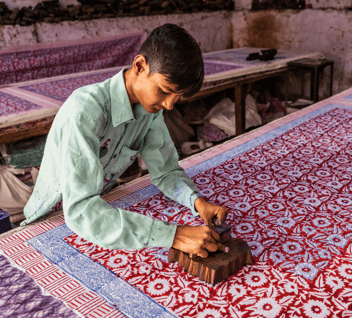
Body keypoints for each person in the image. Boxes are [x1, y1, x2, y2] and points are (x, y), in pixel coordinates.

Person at [21, 23, 228, 258]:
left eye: (177, 97)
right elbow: (79, 210)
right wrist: (174, 235)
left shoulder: (150, 111)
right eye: (164, 90)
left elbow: (166, 171)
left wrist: (197, 202)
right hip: (52, 219)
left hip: (97, 209)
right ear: (140, 66)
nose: (170, 104)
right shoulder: (86, 111)